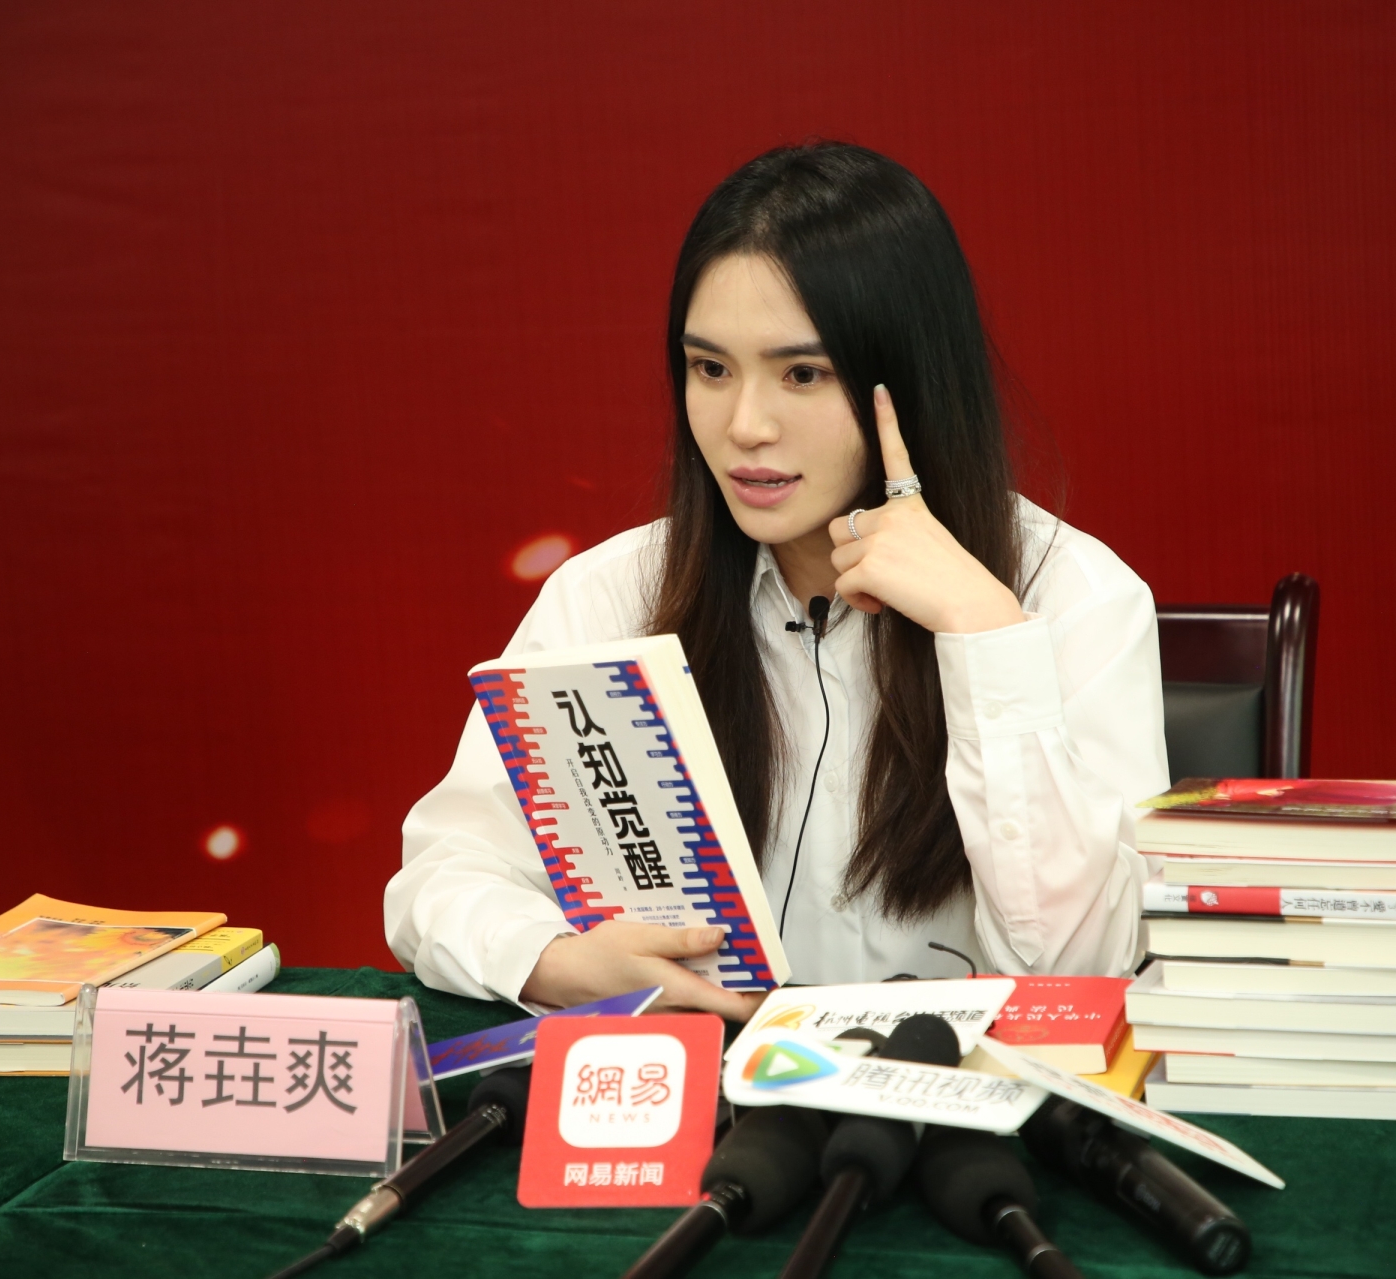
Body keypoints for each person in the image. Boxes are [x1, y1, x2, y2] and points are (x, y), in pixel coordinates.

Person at [384, 142, 1168, 1020]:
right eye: (711, 369)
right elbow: (441, 879)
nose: (745, 425)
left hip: (963, 1095)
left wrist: (983, 633)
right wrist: (556, 960)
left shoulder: (1076, 597)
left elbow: (1088, 970)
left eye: (803, 374)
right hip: (709, 1089)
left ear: (910, 377)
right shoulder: (605, 597)